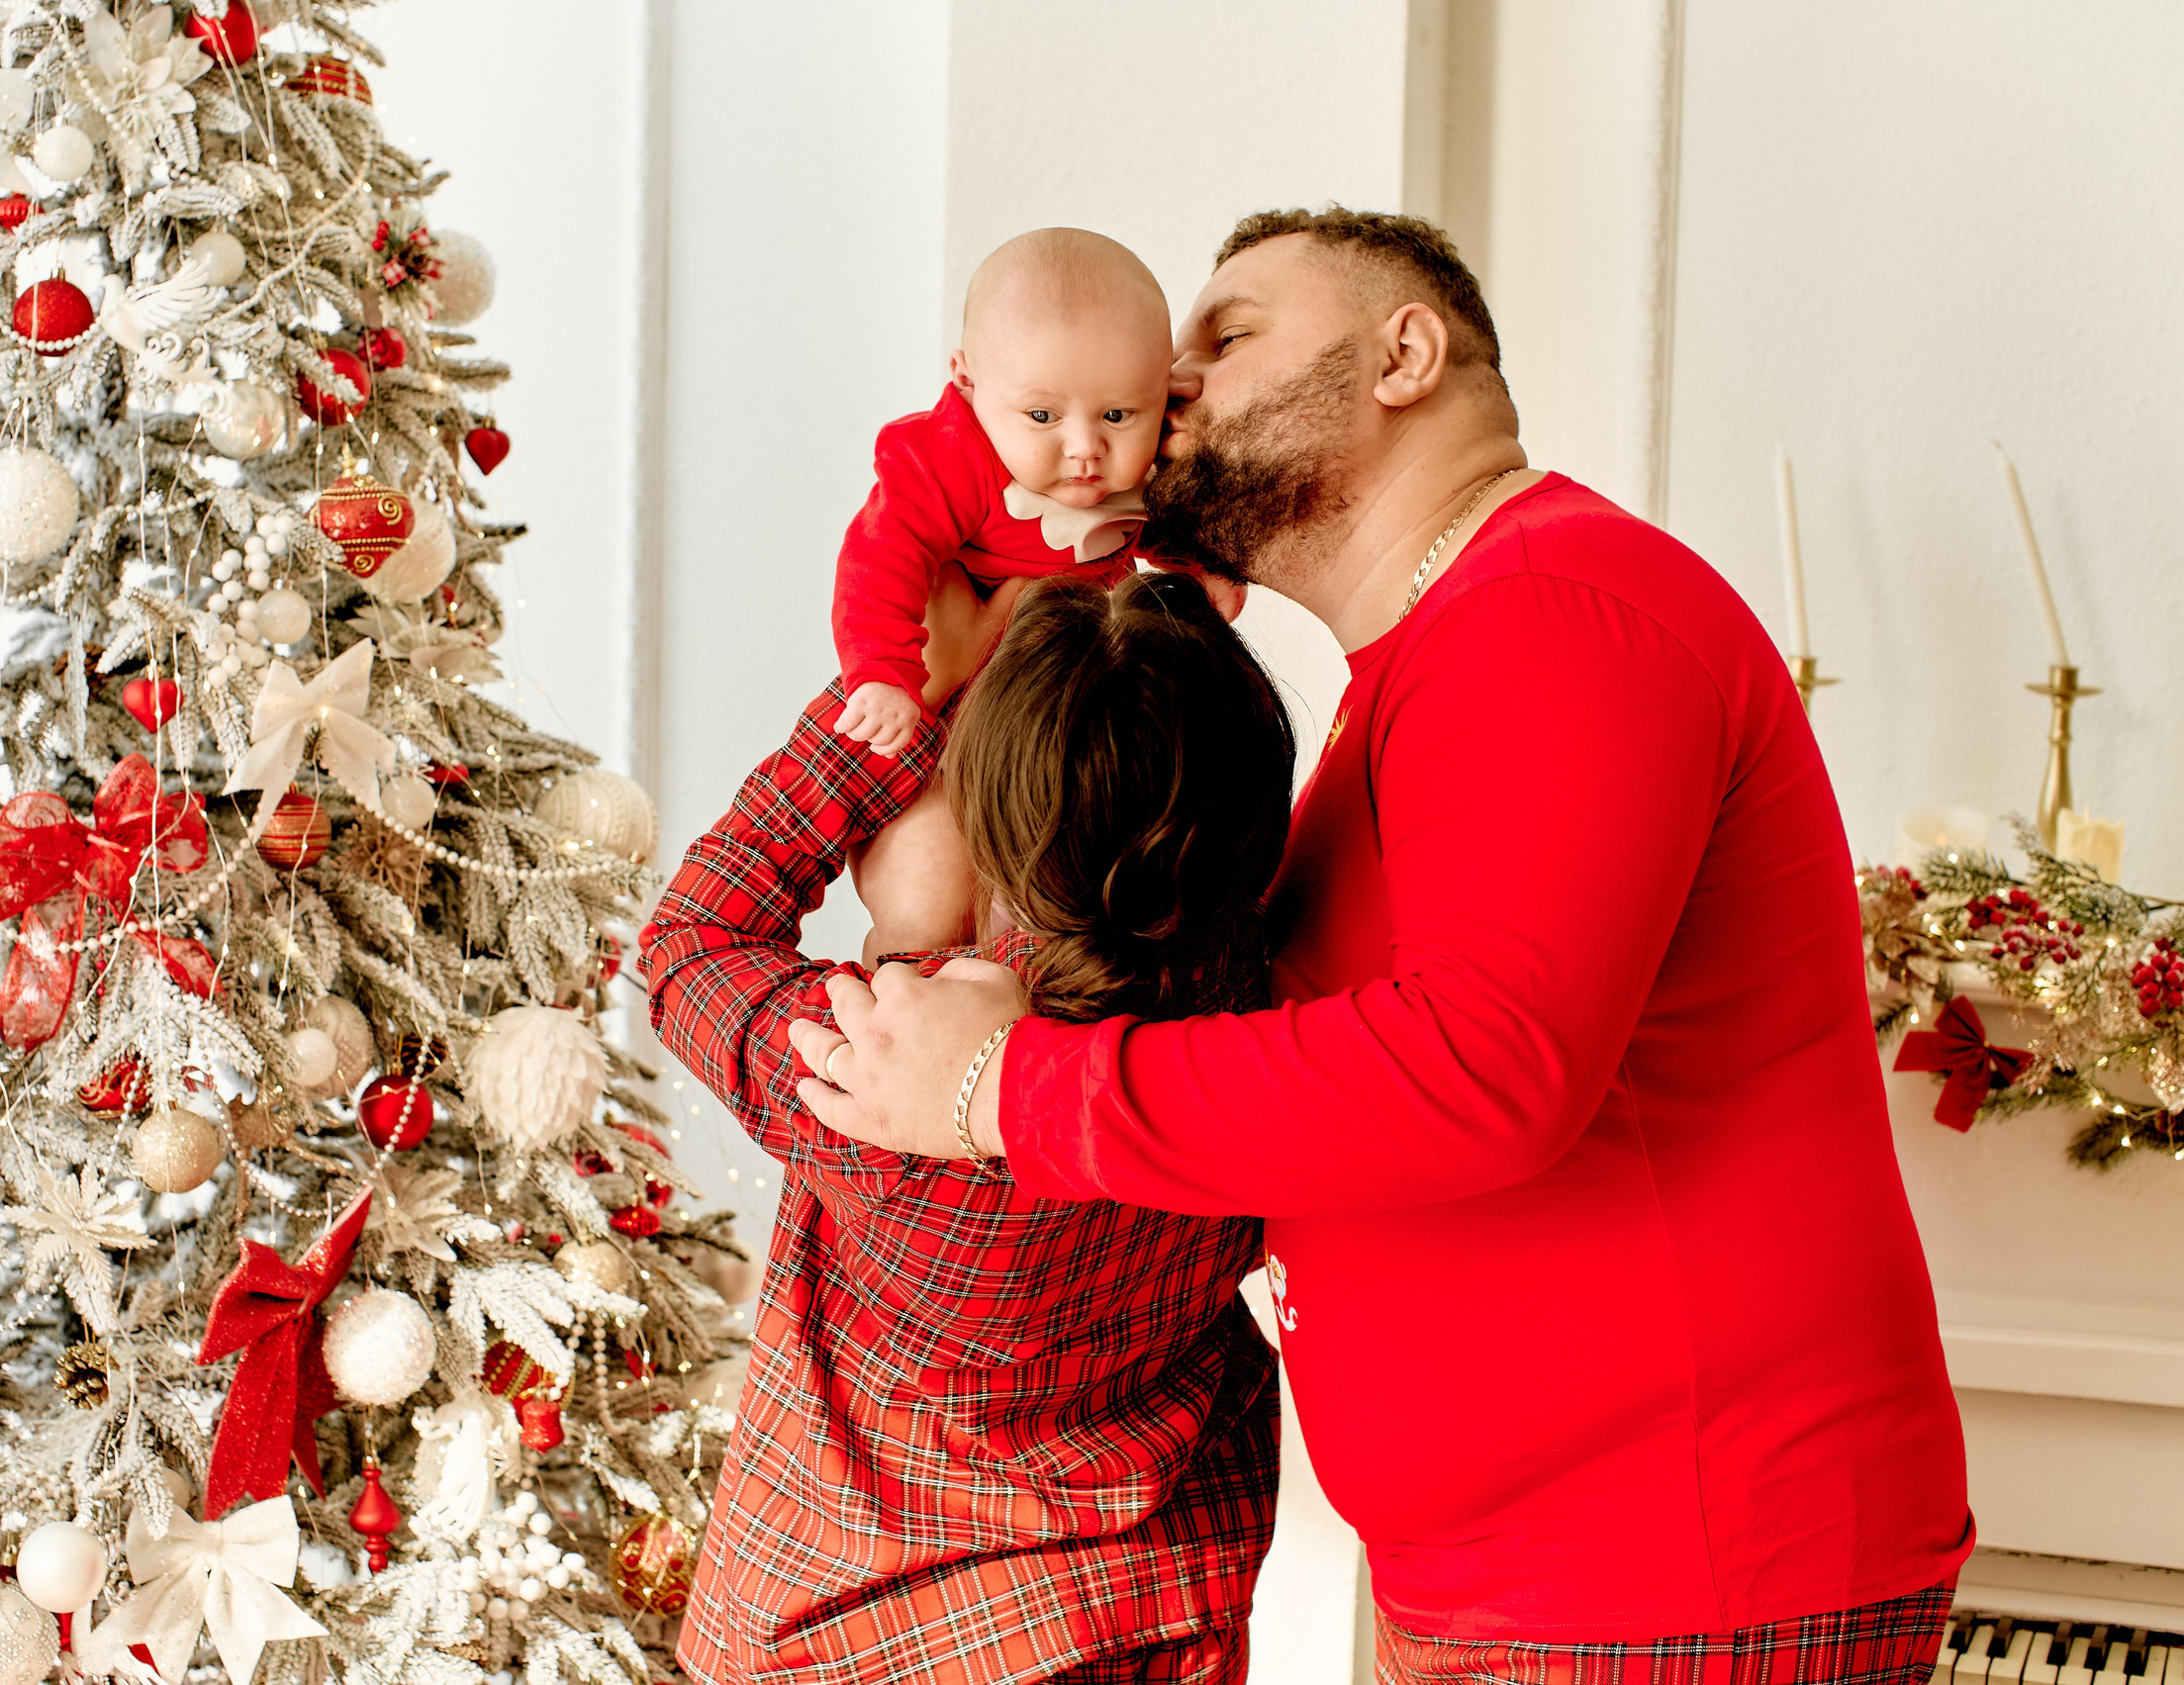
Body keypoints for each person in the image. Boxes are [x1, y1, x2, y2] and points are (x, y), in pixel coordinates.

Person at [795, 208, 1976, 1676]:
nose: (1176, 395)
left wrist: (997, 1090)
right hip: (1525, 1586)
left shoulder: (1558, 609)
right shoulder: (1424, 664)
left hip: (1674, 1581)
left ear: (1404, 352)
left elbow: (1487, 1066)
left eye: (1226, 341)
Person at [641, 567, 1295, 1683]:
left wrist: (886, 706)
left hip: (844, 1633)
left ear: (977, 820)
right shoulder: (1277, 1030)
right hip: (1143, 1615)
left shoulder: (890, 1081)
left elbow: (689, 942)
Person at [830, 227, 1170, 758]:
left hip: (1055, 696)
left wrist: (1204, 570)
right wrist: (883, 673)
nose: (1086, 447)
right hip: (922, 681)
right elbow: (881, 555)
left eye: (1117, 414)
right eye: (1041, 415)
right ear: (968, 379)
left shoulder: (1146, 464)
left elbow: (1172, 524)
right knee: (841, 776)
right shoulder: (950, 459)